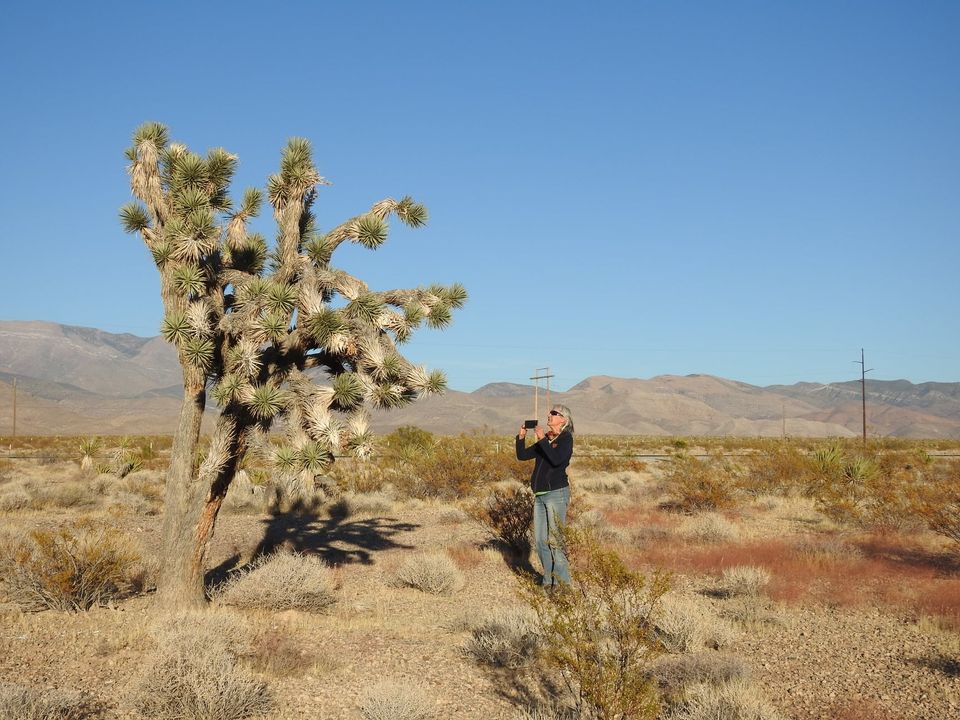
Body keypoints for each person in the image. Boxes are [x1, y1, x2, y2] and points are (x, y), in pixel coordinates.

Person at [516, 404, 574, 588]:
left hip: (556, 494)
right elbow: (522, 455)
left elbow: (557, 460)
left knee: (556, 541)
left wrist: (542, 439)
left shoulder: (566, 439)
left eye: (554, 413)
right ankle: (548, 581)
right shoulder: (547, 439)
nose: (549, 415)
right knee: (541, 541)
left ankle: (563, 586)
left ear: (563, 419)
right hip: (540, 496)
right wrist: (521, 437)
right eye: (549, 412)